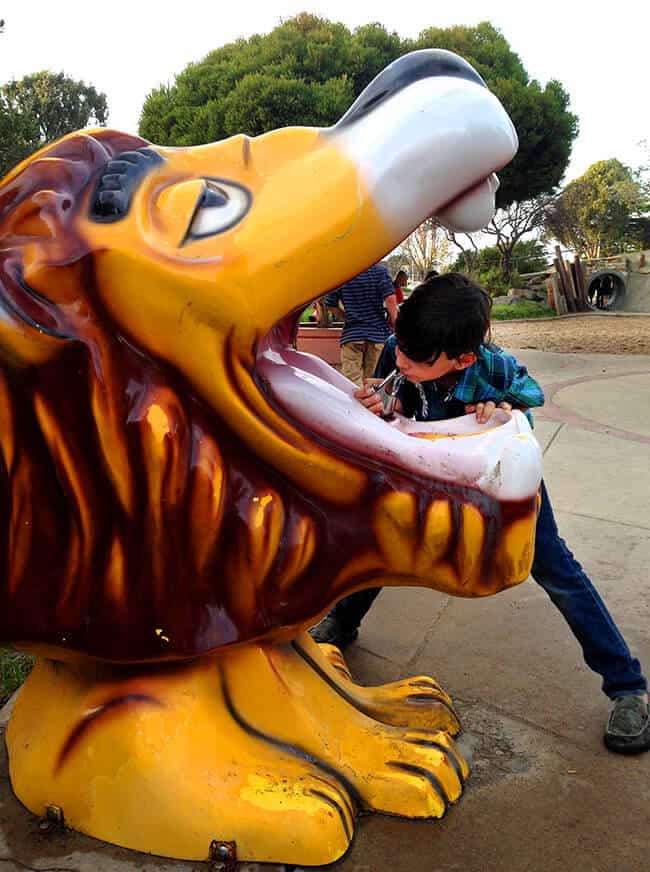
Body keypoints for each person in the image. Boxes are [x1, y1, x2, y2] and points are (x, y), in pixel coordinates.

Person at [312, 272, 650, 755]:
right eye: (399, 348)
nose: (400, 360)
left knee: (555, 569)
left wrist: (505, 402)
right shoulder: (397, 349)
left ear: (463, 358)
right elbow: (396, 403)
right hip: (423, 470)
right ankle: (342, 624)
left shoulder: (490, 366)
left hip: (490, 479)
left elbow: (529, 394)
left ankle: (627, 685)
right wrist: (380, 402)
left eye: (415, 358)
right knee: (384, 543)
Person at [325, 263, 397, 387]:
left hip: (352, 335)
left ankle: (354, 405)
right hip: (377, 335)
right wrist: (395, 321)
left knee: (351, 382)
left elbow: (330, 303)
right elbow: (390, 297)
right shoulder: (380, 271)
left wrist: (347, 317)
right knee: (374, 381)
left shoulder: (344, 273)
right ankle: (368, 405)